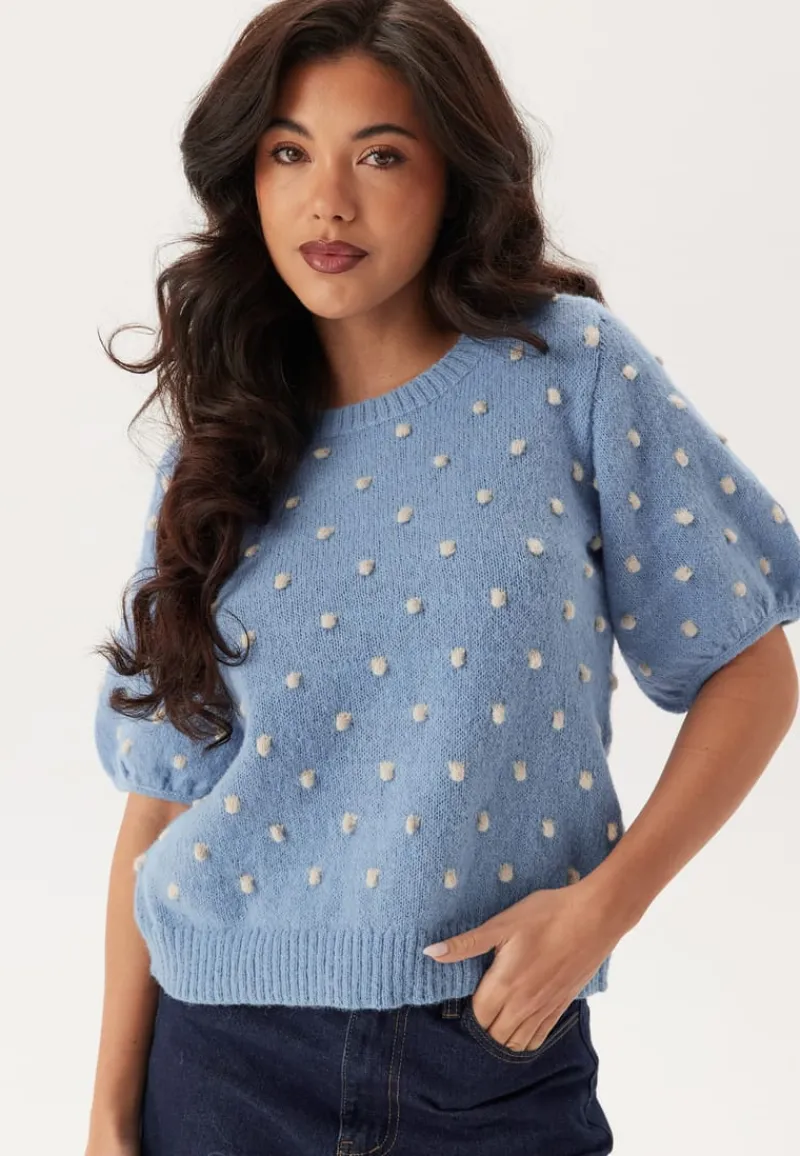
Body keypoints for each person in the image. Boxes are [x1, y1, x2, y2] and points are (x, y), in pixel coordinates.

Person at [84, 2, 800, 1154]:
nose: (327, 201)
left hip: (493, 1052)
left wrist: (603, 906)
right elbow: (160, 799)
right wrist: (108, 1116)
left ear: (453, 175)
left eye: (378, 155)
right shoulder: (218, 446)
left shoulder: (569, 374)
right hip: (222, 1066)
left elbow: (749, 667)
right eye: (287, 153)